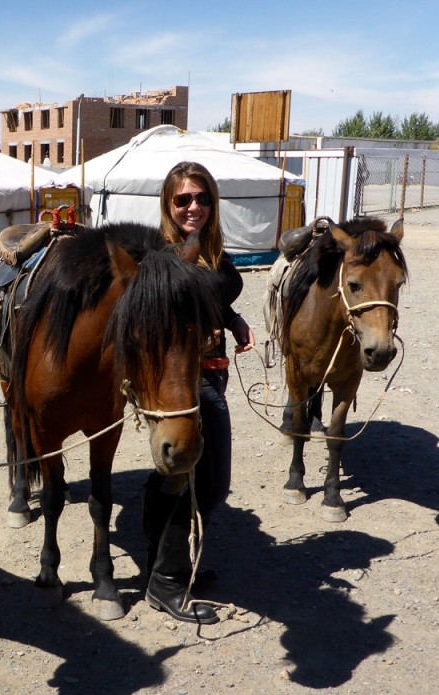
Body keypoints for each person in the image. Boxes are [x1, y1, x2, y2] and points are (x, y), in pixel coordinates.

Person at [143, 160, 255, 624]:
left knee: (204, 480)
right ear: (168, 205)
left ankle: (169, 564)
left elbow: (211, 295)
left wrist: (231, 319)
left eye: (203, 197)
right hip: (184, 380)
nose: (194, 207)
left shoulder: (207, 248)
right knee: (188, 475)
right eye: (183, 199)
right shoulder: (165, 256)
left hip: (212, 371)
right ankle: (165, 581)